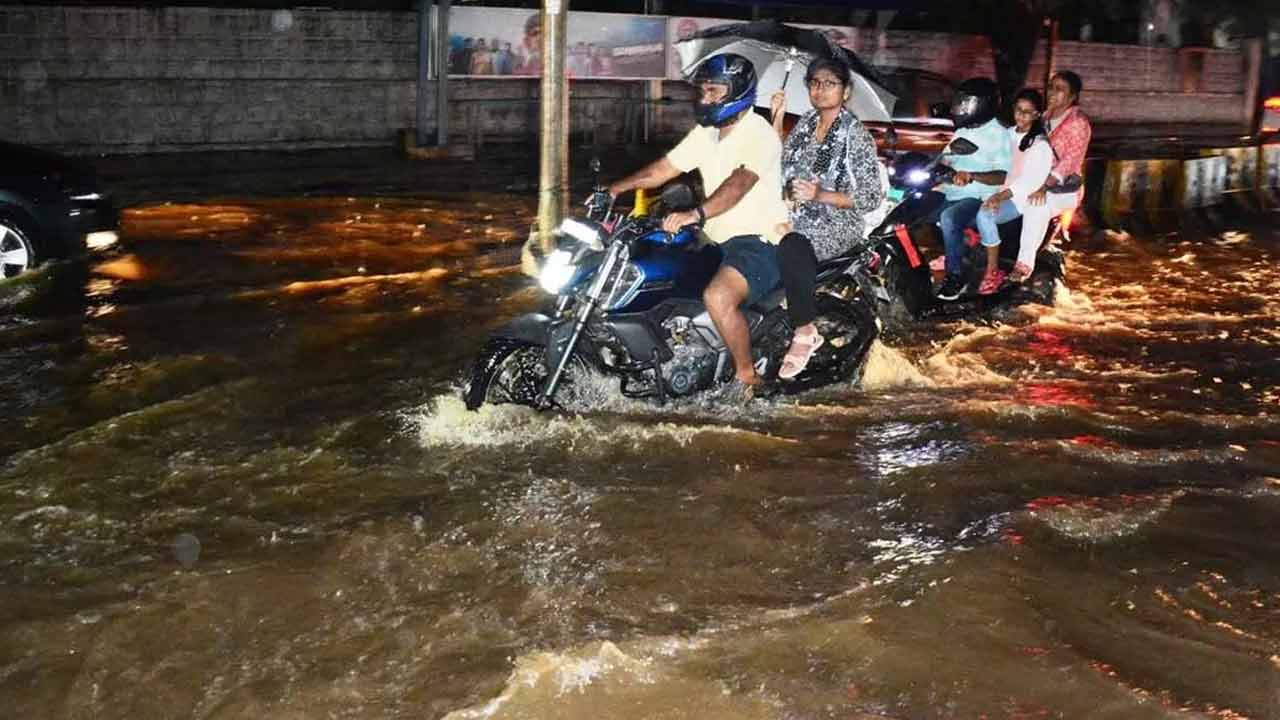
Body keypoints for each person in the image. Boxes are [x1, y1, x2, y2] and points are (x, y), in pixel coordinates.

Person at [607, 54, 789, 391]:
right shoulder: (707, 133)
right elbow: (663, 169)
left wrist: (696, 213)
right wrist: (615, 189)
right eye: (703, 91)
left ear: (738, 92)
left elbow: (738, 185)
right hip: (713, 240)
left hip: (760, 243)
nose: (706, 98)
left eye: (714, 91)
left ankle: (747, 377)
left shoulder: (759, 134)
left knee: (718, 297)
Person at [766, 58, 883, 380]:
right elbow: (782, 163)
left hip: (837, 222)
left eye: (829, 83)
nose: (820, 89)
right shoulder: (805, 123)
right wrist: (776, 120)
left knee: (790, 246)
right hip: (795, 214)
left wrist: (819, 196)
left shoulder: (854, 135)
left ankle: (805, 332)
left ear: (845, 92)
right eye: (814, 83)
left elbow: (872, 197)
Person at [932, 78, 1012, 301]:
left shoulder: (1001, 134)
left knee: (949, 218)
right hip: (951, 190)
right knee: (910, 205)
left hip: (979, 196)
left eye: (966, 103)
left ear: (983, 105)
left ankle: (955, 276)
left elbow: (1003, 174)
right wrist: (938, 166)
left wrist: (972, 176)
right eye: (959, 103)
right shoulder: (963, 131)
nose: (960, 108)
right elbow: (947, 158)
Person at [1014, 70, 1092, 282]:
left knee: (1036, 206)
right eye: (1051, 88)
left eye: (1060, 89)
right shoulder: (1045, 116)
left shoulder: (1078, 123)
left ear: (1072, 96)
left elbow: (1069, 162)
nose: (1052, 93)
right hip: (1035, 180)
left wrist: (1044, 186)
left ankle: (1024, 265)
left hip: (1063, 188)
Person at [972, 88, 1052, 294]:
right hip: (996, 190)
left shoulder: (1040, 146)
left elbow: (1028, 183)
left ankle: (993, 271)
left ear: (1037, 115)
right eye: (1018, 110)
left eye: (1027, 112)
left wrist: (999, 196)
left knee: (984, 214)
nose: (1021, 116)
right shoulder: (1006, 135)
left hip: (1018, 199)